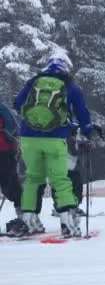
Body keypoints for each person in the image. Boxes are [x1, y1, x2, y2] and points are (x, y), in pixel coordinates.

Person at [14, 52, 93, 237]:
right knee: (60, 179)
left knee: (33, 178)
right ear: (67, 67)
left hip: (28, 138)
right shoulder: (69, 86)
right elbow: (82, 113)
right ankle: (68, 222)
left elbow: (18, 104)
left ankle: (30, 221)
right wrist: (86, 132)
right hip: (55, 138)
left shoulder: (33, 82)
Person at [0, 102, 25, 235]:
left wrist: (15, 145)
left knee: (10, 185)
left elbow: (13, 128)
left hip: (4, 151)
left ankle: (24, 218)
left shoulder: (2, 108)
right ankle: (24, 217)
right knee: (10, 184)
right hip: (4, 150)